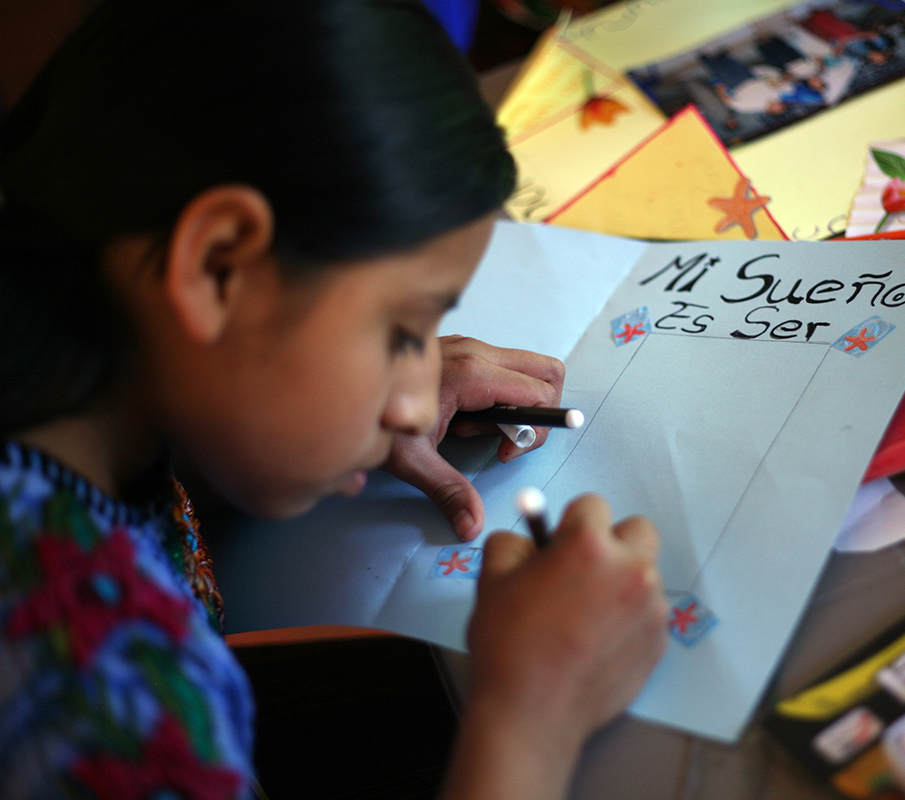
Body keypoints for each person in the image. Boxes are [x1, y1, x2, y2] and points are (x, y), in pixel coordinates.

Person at [0, 0, 667, 796]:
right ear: (218, 266)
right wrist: (531, 717)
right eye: (400, 331)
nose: (417, 403)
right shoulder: (99, 690)